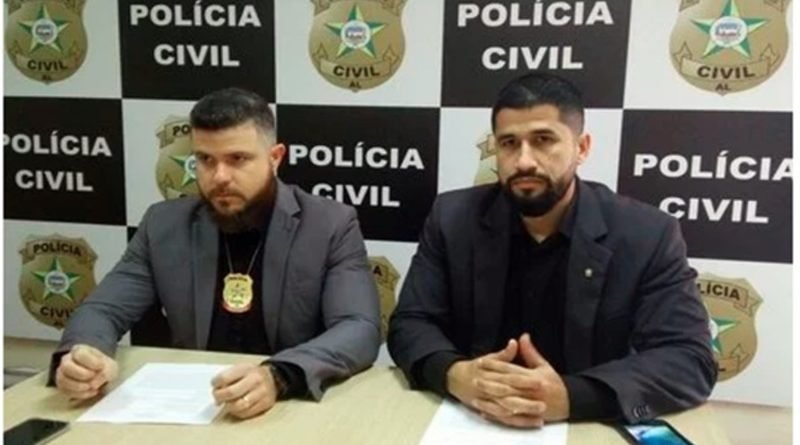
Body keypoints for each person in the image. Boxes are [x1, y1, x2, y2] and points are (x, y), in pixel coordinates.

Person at [387, 72, 716, 427]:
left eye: (543, 140)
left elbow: (689, 358)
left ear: (582, 148)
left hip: (586, 426)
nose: (524, 161)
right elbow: (412, 322)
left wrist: (572, 397)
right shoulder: (453, 218)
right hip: (471, 419)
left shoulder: (646, 234)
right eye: (509, 143)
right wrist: (456, 375)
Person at [50, 87, 381, 419]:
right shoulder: (163, 225)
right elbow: (103, 310)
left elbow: (359, 327)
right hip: (193, 408)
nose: (219, 177)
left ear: (275, 157)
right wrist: (84, 355)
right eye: (205, 160)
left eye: (237, 159)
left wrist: (279, 376)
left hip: (290, 408)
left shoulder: (329, 224)